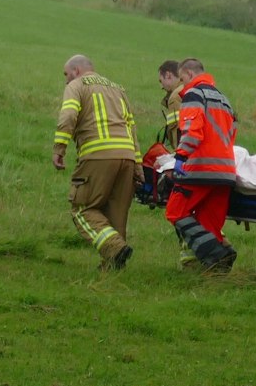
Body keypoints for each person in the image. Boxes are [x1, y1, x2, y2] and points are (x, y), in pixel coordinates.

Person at [52, 55, 140, 272]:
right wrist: (137, 165)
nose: (66, 80)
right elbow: (132, 128)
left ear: (77, 70)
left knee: (82, 208)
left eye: (66, 74)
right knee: (116, 213)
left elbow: (68, 116)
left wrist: (59, 148)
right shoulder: (118, 88)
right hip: (127, 156)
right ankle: (113, 267)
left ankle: (114, 248)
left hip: (97, 155)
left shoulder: (77, 85)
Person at [165, 57, 238, 272]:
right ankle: (215, 272)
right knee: (210, 225)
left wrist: (180, 157)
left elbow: (192, 132)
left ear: (187, 74)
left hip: (200, 169)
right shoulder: (224, 99)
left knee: (175, 212)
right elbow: (232, 134)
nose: (182, 83)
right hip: (226, 172)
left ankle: (217, 255)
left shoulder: (193, 94)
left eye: (181, 78)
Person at [155, 60, 182, 148]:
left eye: (161, 81)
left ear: (168, 75)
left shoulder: (175, 97)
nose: (161, 87)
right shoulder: (194, 88)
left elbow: (178, 134)